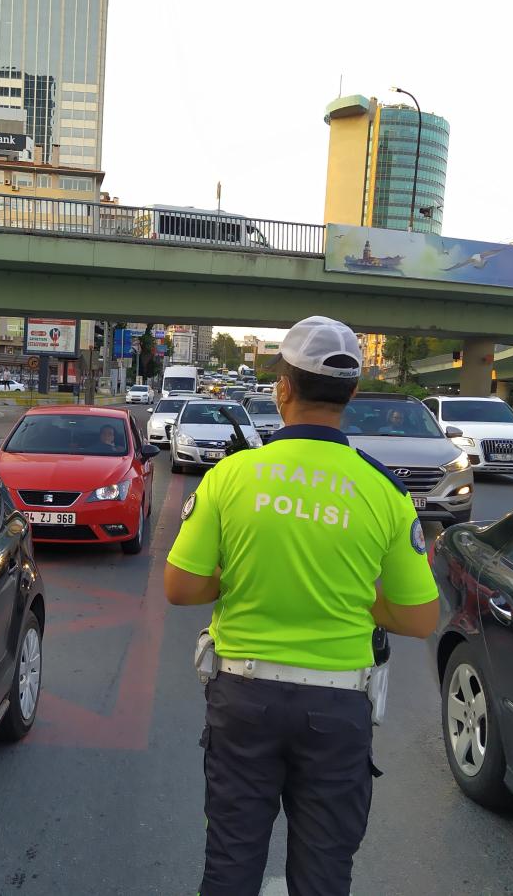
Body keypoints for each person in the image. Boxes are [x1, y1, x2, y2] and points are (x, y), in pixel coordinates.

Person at [164, 316, 440, 896]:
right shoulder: (385, 491)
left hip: (243, 698)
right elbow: (419, 618)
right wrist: (357, 599)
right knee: (323, 874)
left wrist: (240, 578)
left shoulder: (232, 476)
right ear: (353, 395)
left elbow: (181, 587)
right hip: (339, 707)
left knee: (231, 865)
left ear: (281, 387)